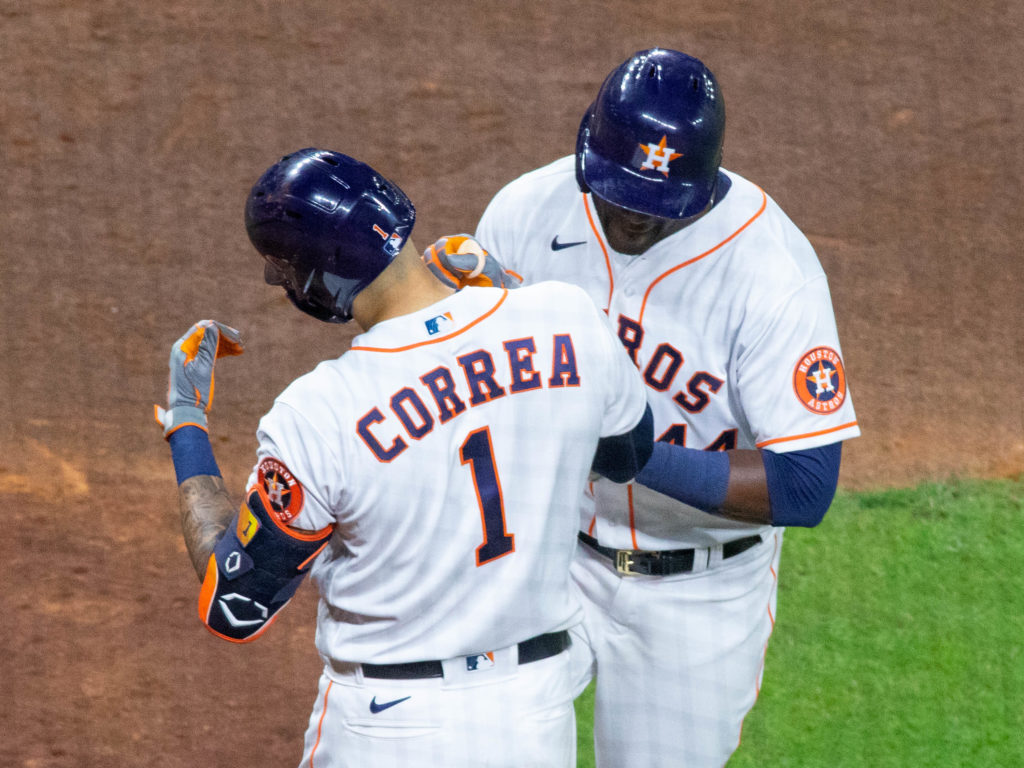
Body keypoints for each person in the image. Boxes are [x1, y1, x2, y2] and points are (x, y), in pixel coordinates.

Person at [154, 147, 654, 768]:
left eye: (279, 266)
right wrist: (503, 293)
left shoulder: (319, 411)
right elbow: (629, 453)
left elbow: (235, 602)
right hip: (534, 719)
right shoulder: (568, 320)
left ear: (319, 277)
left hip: (389, 731)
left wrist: (187, 425)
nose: (270, 280)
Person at [468, 48, 862, 767]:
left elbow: (805, 486)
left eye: (658, 205)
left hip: (698, 598)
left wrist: (627, 454)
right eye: (619, 192)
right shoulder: (528, 211)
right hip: (548, 556)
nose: (633, 218)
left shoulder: (773, 274)